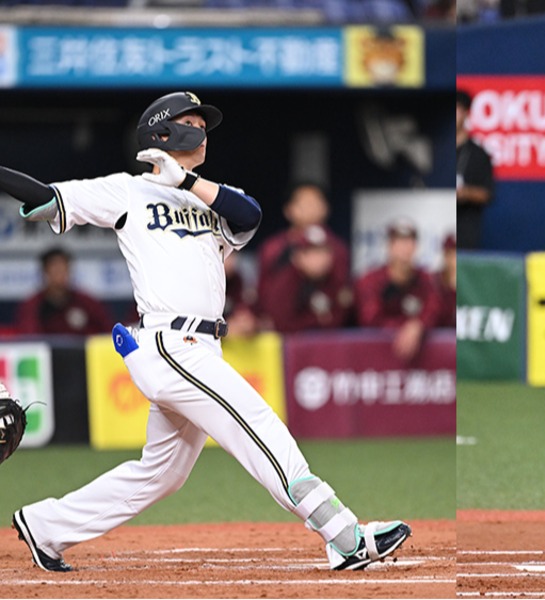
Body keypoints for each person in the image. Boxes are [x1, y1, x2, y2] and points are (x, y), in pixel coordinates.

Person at [2, 91, 410, 572]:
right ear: (162, 133)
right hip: (171, 344)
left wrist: (188, 182)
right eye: (191, 124)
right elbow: (46, 198)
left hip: (202, 345)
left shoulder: (210, 194)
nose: (202, 133)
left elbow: (250, 215)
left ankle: (46, 527)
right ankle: (343, 534)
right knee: (259, 427)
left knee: (161, 474)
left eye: (203, 125)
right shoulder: (128, 191)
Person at [355, 218, 440, 362]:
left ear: (416, 246)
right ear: (389, 246)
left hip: (419, 363)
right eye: (399, 242)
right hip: (375, 359)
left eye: (409, 242)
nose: (404, 248)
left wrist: (418, 325)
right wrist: (402, 328)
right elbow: (370, 318)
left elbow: (435, 309)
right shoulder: (371, 280)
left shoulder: (426, 279)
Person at [256, 183, 350, 303]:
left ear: (326, 208)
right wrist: (296, 268)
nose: (310, 208)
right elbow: (263, 292)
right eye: (304, 203)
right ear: (288, 210)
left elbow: (344, 295)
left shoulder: (337, 248)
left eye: (315, 202)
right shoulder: (272, 247)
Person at [258, 224, 353, 332]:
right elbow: (282, 324)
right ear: (297, 257)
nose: (318, 259)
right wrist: (317, 321)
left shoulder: (337, 279)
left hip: (331, 340)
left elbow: (341, 319)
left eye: (323, 252)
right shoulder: (284, 282)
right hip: (290, 341)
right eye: (310, 253)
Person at [16, 247, 114, 335]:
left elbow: (107, 332)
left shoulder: (87, 302)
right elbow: (29, 338)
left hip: (82, 349)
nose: (60, 274)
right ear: (45, 272)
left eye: (63, 269)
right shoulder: (32, 305)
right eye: (55, 270)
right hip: (46, 349)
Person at [456, 89, 495, 250]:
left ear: (466, 113)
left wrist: (465, 193)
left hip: (465, 233)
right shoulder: (436, 150)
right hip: (437, 228)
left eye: (456, 109)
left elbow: (487, 194)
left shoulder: (478, 154)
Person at [434, 233, 456, 328]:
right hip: (439, 333)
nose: (454, 260)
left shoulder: (469, 282)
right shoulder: (435, 281)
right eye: (451, 254)